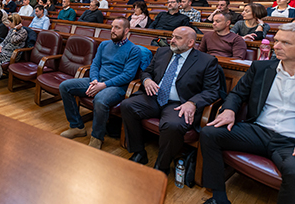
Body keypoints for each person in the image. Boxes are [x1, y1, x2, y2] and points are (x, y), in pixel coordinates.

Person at [200, 22, 295, 204]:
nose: (276, 46)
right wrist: (229, 110)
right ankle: (218, 198)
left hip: (294, 142)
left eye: (285, 43)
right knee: (210, 133)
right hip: (258, 132)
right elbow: (237, 94)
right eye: (276, 41)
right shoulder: (260, 68)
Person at [121, 26, 220, 173]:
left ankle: (162, 166)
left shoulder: (206, 61)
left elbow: (212, 91)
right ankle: (139, 152)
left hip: (179, 103)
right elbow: (146, 71)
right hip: (154, 97)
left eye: (178, 38)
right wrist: (147, 80)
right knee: (127, 105)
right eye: (172, 36)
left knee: (173, 125)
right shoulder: (162, 52)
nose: (172, 40)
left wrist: (192, 102)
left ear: (191, 43)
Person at [59, 17, 141, 149]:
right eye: (112, 27)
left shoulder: (134, 50)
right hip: (98, 81)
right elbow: (95, 64)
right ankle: (77, 127)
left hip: (117, 87)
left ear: (126, 31)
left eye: (117, 28)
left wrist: (103, 85)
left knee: (100, 99)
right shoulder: (104, 45)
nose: (112, 30)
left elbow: (127, 75)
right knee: (65, 86)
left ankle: (97, 137)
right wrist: (94, 80)